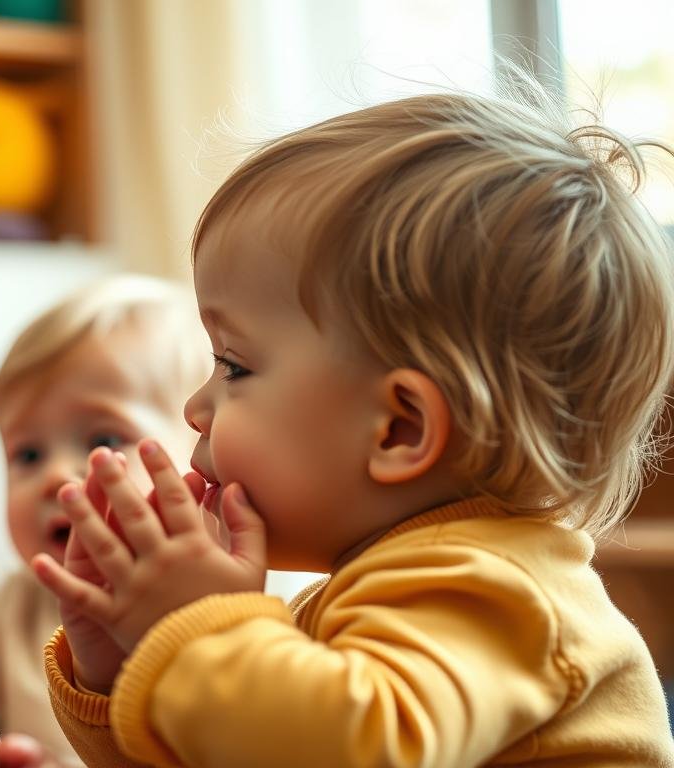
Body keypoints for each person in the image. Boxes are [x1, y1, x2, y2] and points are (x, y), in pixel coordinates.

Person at [33, 84, 674, 766]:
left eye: (234, 366)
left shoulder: (495, 591)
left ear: (399, 429)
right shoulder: (379, 590)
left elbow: (356, 751)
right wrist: (125, 666)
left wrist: (197, 631)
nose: (196, 408)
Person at [0, 274, 207, 766]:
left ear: (205, 453)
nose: (53, 477)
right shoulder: (12, 608)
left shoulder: (239, 605)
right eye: (27, 453)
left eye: (103, 440)